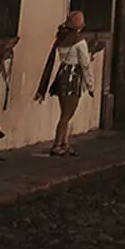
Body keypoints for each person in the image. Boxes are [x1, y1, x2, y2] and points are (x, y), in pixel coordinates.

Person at [36, 11, 96, 157]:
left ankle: (65, 143)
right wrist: (90, 86)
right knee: (67, 115)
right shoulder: (80, 42)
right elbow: (85, 65)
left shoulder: (61, 39)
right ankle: (57, 144)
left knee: (65, 112)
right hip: (73, 78)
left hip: (61, 76)